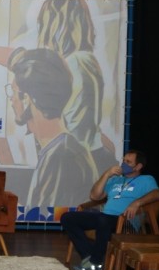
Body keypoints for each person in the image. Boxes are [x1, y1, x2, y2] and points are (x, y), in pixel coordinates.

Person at [0, 0, 116, 173]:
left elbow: (21, 60)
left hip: (74, 160)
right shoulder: (86, 61)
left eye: (44, 23)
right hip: (89, 155)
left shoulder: (69, 65)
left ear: (56, 25)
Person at [8, 48, 97, 218]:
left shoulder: (61, 156)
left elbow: (46, 218)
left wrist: (8, 205)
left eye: (13, 92)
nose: (11, 99)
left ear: (27, 98)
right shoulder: (61, 149)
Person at [61, 149, 159, 270]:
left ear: (138, 166)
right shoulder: (116, 180)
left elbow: (157, 195)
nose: (123, 164)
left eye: (128, 162)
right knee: (67, 218)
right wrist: (107, 174)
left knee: (102, 220)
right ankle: (89, 256)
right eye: (123, 160)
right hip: (104, 217)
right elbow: (94, 196)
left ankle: (96, 262)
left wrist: (137, 203)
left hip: (125, 220)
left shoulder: (146, 179)